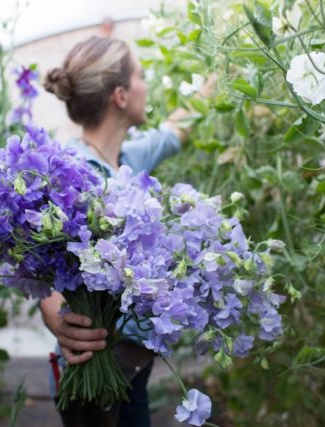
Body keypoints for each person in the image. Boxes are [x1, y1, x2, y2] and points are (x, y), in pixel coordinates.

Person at [40, 35, 213, 427]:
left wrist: (222, 70)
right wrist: (61, 324)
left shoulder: (129, 158)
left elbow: (176, 128)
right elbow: (50, 277)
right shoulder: (73, 171)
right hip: (94, 369)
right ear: (120, 95)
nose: (146, 84)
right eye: (140, 76)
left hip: (132, 368)